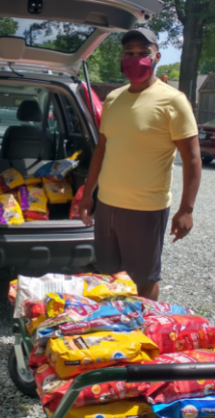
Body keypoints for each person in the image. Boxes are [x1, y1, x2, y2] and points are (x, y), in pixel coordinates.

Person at [79, 28, 201, 301]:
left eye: (143, 54)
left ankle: (143, 330)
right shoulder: (113, 99)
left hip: (146, 208)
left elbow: (192, 158)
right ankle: (116, 329)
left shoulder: (173, 101)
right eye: (129, 53)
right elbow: (102, 148)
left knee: (144, 280)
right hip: (108, 205)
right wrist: (89, 194)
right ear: (121, 58)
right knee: (111, 275)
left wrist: (186, 210)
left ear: (156, 56)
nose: (135, 59)